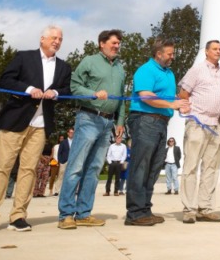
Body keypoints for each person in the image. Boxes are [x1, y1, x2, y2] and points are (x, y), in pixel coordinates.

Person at [0, 25, 72, 234]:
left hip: (41, 125)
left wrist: (55, 91)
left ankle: (18, 215)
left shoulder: (64, 67)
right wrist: (28, 90)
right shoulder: (23, 57)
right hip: (15, 121)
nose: (57, 41)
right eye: (54, 37)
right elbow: (6, 79)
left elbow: (67, 89)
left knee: (29, 170)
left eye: (60, 39)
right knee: (1, 167)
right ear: (42, 38)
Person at [57, 29, 127, 230]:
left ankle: (84, 213)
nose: (117, 46)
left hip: (108, 124)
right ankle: (66, 214)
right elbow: (74, 86)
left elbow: (121, 96)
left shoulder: (120, 68)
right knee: (76, 166)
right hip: (88, 118)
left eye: (118, 43)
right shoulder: (89, 61)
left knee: (94, 169)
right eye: (113, 43)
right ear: (101, 44)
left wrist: (120, 120)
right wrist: (93, 94)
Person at [124, 40, 188, 227]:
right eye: (169, 53)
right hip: (145, 120)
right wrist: (171, 104)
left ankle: (145, 209)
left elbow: (167, 97)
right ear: (158, 53)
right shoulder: (146, 70)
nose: (172, 56)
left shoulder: (169, 73)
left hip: (161, 122)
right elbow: (145, 95)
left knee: (153, 168)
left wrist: (179, 102)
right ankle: (135, 213)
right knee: (141, 166)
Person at [176, 39, 220, 223]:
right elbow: (183, 92)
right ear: (206, 51)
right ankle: (189, 209)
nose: (218, 51)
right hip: (198, 123)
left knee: (211, 168)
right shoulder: (196, 70)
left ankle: (205, 208)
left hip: (217, 125)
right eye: (215, 49)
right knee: (190, 166)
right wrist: (190, 112)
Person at [53, 127, 73, 196]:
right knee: (60, 176)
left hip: (73, 162)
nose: (71, 134)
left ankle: (72, 190)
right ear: (67, 133)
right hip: (64, 161)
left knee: (72, 176)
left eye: (72, 132)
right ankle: (56, 191)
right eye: (70, 132)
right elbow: (59, 152)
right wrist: (61, 161)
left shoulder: (76, 142)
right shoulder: (63, 142)